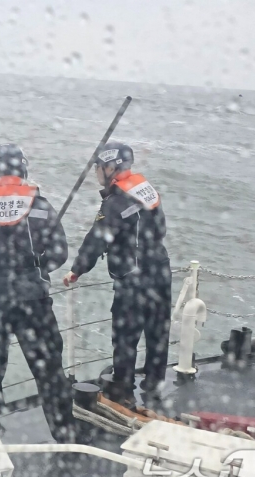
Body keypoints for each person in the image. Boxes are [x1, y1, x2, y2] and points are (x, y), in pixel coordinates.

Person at [0, 143, 73, 442]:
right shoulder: (40, 205)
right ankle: (65, 435)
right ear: (23, 169)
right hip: (33, 301)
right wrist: (38, 265)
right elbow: (60, 252)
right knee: (49, 370)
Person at [63, 142, 171, 405]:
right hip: (160, 271)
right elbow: (160, 228)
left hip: (133, 280)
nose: (96, 172)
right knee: (157, 333)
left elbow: (96, 239)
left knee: (125, 338)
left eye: (99, 167)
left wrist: (76, 270)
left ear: (111, 167)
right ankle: (154, 387)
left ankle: (123, 392)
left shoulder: (114, 202)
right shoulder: (145, 188)